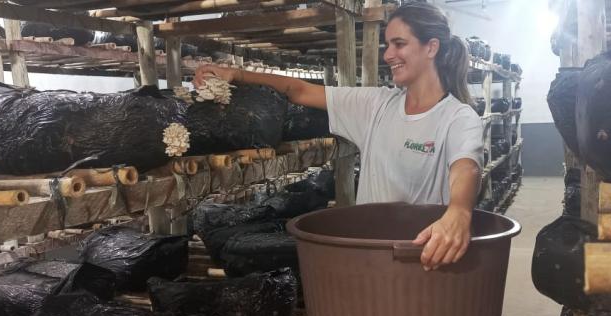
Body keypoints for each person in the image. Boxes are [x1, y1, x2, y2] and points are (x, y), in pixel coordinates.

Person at [193, 2, 484, 271]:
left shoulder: (457, 117)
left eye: (399, 44)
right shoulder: (375, 105)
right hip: (368, 258)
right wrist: (235, 74)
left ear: (431, 47)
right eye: (386, 45)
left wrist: (459, 211)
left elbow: (466, 166)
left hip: (423, 260)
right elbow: (300, 91)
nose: (388, 55)